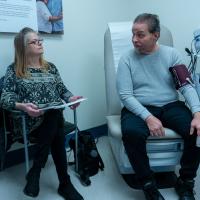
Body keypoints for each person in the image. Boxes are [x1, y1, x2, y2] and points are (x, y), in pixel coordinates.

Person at [116, 13, 200, 200]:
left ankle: (185, 182)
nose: (134, 39)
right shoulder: (126, 59)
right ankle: (148, 184)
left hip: (170, 105)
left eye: (140, 35)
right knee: (132, 133)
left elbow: (186, 86)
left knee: (196, 130)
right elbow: (125, 95)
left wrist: (197, 113)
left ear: (156, 35)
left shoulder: (171, 54)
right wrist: (148, 117)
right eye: (133, 34)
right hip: (138, 106)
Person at [0, 27, 84, 200]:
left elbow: (62, 90)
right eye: (34, 41)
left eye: (40, 40)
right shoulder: (14, 70)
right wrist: (23, 107)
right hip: (28, 123)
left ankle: (36, 171)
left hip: (51, 122)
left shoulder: (50, 67)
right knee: (55, 120)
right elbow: (4, 99)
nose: (39, 43)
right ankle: (64, 184)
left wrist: (71, 98)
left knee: (53, 117)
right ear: (23, 47)